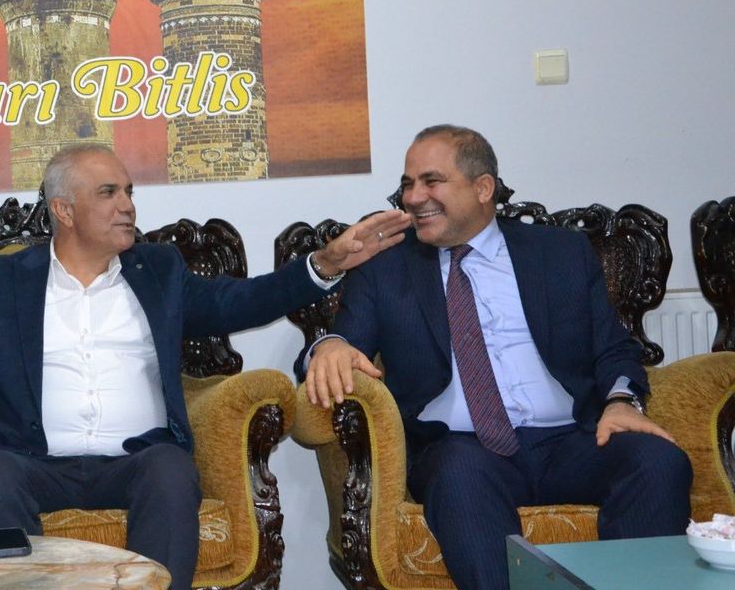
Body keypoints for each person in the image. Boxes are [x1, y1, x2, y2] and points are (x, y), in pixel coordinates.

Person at [0, 143, 411, 589]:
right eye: (109, 193)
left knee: (170, 469)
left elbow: (239, 302)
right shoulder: (2, 281)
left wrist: (324, 264)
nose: (127, 205)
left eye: (128, 191)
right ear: (64, 210)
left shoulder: (158, 271)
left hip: (137, 461)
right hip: (32, 464)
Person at [296, 125, 691, 590]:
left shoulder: (560, 253)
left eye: (431, 181)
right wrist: (329, 347)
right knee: (460, 476)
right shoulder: (386, 268)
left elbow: (614, 347)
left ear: (483, 188)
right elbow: (339, 344)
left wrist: (622, 401)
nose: (414, 197)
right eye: (408, 184)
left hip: (571, 440)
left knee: (657, 460)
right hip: (461, 448)